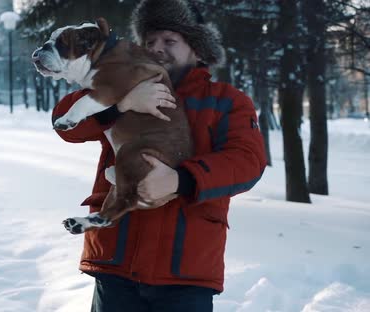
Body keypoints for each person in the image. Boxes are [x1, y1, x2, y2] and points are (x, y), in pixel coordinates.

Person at [51, 0, 267, 311]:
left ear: (196, 47)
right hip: (117, 260)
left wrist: (181, 180)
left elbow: (247, 162)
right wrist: (121, 104)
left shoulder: (226, 101)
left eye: (170, 41)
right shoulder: (119, 84)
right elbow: (65, 125)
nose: (157, 49)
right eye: (150, 41)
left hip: (184, 271)